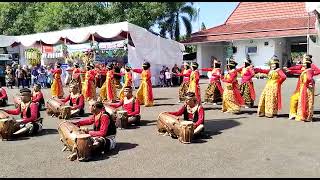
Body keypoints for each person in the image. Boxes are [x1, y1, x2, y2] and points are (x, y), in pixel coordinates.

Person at [285, 54, 320, 121]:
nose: (302, 60)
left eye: (304, 58)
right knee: (295, 99)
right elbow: (297, 68)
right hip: (301, 84)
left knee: (301, 99)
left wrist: (311, 75)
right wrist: (289, 69)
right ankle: (294, 113)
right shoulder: (304, 66)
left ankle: (303, 114)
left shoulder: (311, 67)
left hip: (306, 85)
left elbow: (318, 71)